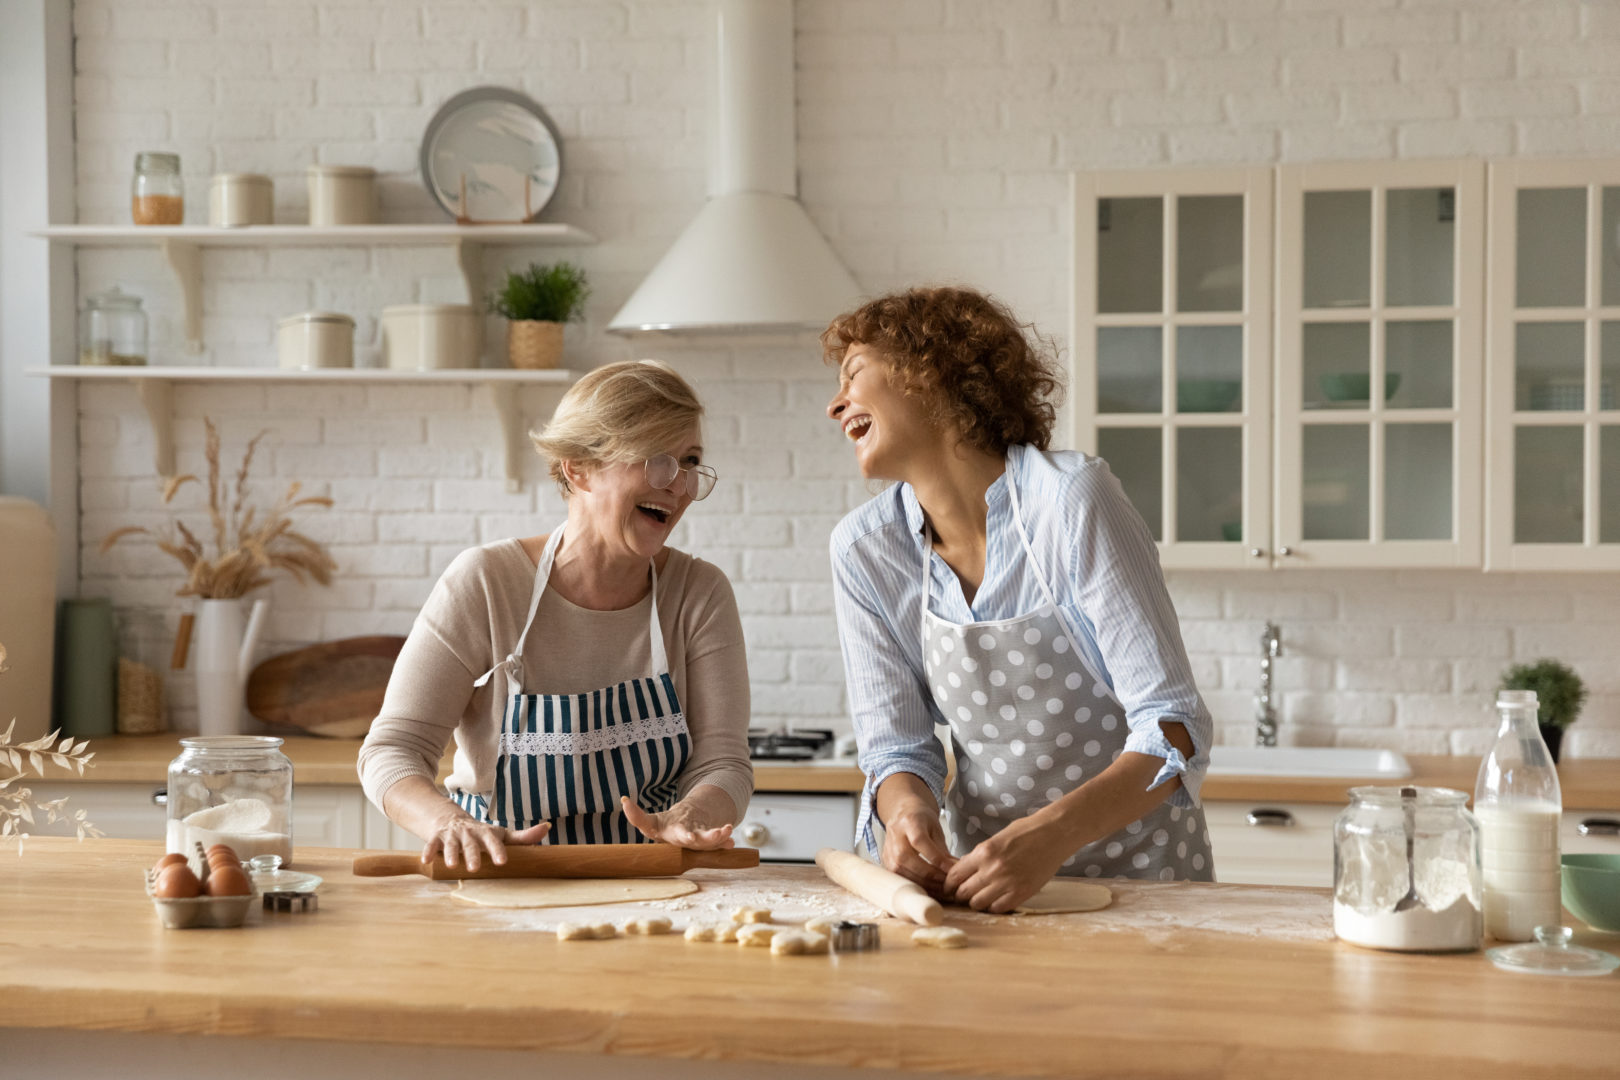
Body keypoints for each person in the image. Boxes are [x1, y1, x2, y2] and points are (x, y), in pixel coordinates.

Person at [823, 287, 1215, 913]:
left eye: (854, 374)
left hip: (1147, 891)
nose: (834, 404)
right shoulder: (866, 551)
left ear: (932, 374)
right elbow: (898, 750)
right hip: (988, 896)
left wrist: (1052, 836)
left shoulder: (1071, 502)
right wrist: (908, 813)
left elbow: (1173, 727)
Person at [359, 359, 752, 871]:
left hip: (650, 886)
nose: (678, 486)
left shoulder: (699, 594)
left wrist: (692, 814)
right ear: (578, 467)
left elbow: (724, 762)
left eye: (691, 462)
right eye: (657, 460)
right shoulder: (486, 582)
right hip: (503, 878)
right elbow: (392, 750)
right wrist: (450, 823)